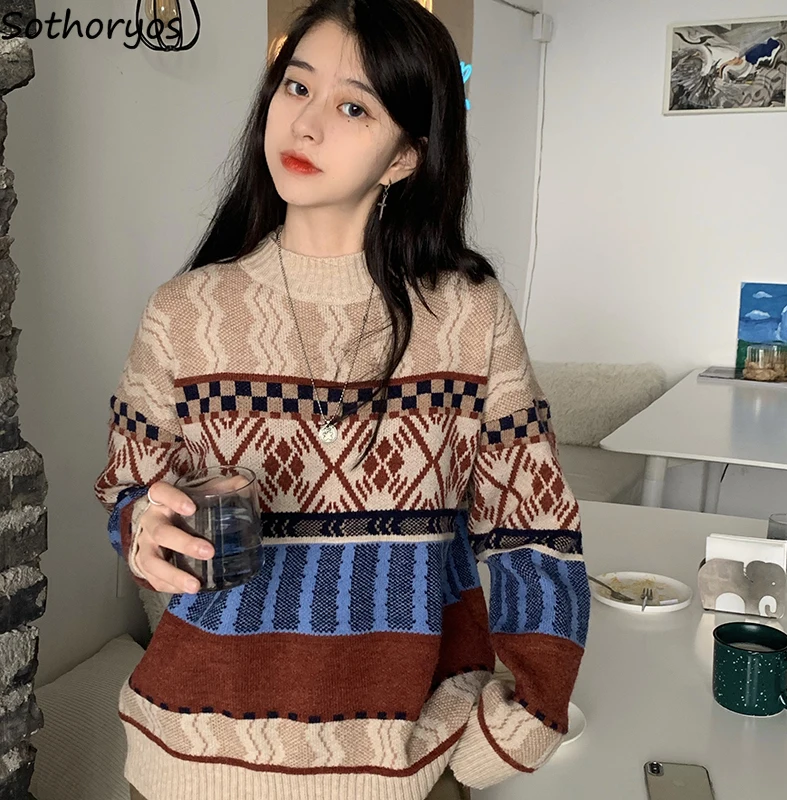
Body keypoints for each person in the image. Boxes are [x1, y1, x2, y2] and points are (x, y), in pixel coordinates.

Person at [93, 1, 590, 799]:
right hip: (187, 762)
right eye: (297, 87)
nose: (307, 123)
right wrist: (141, 526)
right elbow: (128, 488)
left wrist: (525, 720)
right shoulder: (185, 312)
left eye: (354, 107)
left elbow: (534, 528)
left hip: (405, 764)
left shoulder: (469, 315)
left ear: (405, 157)